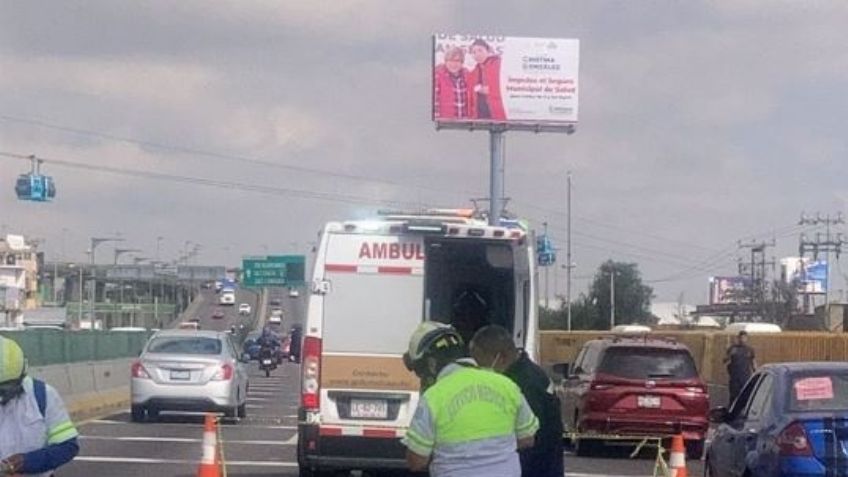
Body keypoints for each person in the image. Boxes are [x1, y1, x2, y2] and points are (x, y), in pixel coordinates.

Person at [401, 322, 539, 477]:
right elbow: (527, 438)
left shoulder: (433, 397)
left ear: (431, 364)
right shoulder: (506, 386)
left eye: (420, 371)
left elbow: (416, 462)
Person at [470, 325, 564, 477]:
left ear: (501, 357)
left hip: (535, 468)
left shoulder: (524, 384)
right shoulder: (530, 373)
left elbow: (529, 439)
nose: (478, 369)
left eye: (481, 362)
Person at [0, 336, 80, 476]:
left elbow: (67, 446)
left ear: (22, 374)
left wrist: (27, 462)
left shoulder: (43, 395)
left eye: (7, 389)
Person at [469, 39, 506, 121]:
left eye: (480, 50)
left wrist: (490, 90)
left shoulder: (499, 65)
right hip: (480, 116)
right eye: (474, 52)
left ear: (488, 50)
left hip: (497, 113)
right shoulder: (474, 72)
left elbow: (508, 85)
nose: (477, 54)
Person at [433, 47, 474, 120]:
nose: (453, 64)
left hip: (464, 121)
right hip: (446, 122)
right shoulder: (438, 76)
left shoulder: (467, 76)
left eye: (457, 61)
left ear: (462, 63)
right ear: (445, 62)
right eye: (450, 60)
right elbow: (435, 102)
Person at [724, 330, 757, 404]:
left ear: (747, 338)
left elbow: (753, 362)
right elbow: (725, 361)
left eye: (745, 338)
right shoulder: (733, 348)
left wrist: (755, 373)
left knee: (745, 397)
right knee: (733, 397)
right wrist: (729, 356)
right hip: (734, 378)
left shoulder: (750, 350)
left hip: (745, 377)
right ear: (738, 338)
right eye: (741, 338)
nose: (743, 339)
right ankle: (732, 412)